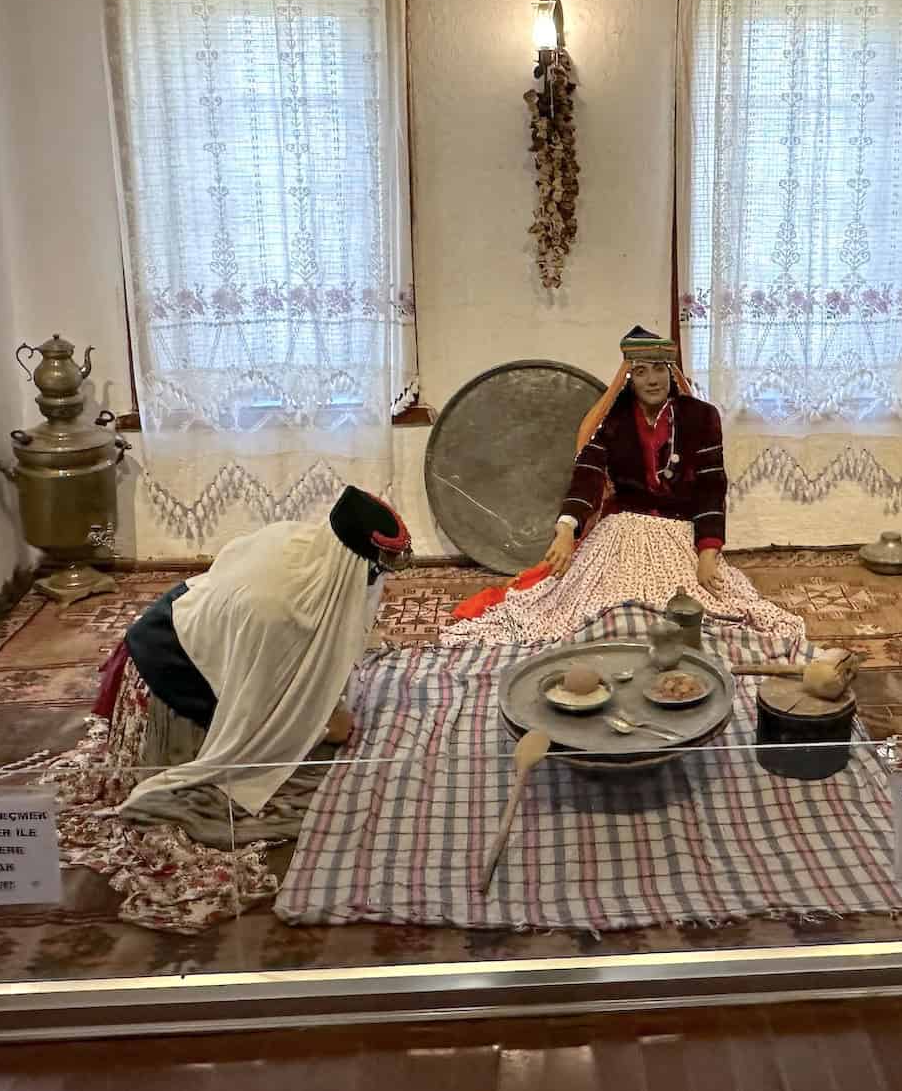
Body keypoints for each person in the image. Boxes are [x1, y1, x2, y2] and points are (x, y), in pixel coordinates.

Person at [447, 326, 804, 647]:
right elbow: (587, 472)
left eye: (659, 369)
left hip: (677, 531)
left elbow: (712, 484)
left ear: (671, 371)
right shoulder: (615, 420)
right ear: (628, 378)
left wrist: (708, 551)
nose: (652, 380)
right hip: (622, 528)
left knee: (698, 607)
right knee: (592, 604)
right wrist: (566, 529)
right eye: (641, 371)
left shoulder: (700, 417)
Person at [101, 485, 412, 833]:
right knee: (314, 753)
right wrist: (320, 727)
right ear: (351, 569)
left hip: (196, 617)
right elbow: (254, 710)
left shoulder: (297, 540)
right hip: (171, 667)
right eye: (373, 573)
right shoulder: (276, 614)